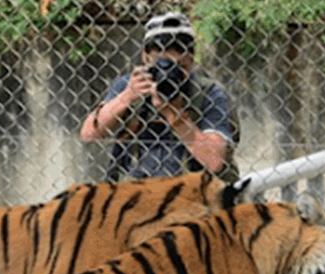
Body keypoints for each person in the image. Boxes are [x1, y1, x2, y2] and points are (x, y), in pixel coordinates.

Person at [80, 12, 238, 182]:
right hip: (137, 190)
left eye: (179, 67)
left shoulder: (208, 93)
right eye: (161, 64)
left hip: (194, 193)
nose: (169, 75)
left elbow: (215, 162)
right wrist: (125, 98)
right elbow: (89, 134)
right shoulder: (132, 84)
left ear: (191, 60)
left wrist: (176, 117)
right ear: (145, 57)